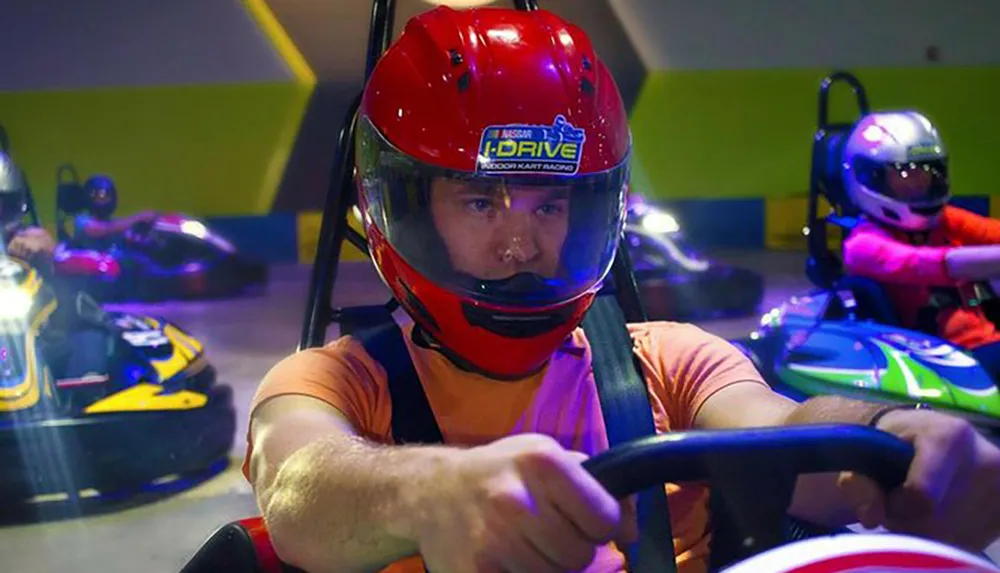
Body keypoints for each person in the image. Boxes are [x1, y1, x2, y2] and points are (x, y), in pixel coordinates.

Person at [243, 7, 1000, 573]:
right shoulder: (338, 381)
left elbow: (783, 425)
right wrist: (431, 491)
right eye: (480, 202)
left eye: (551, 204)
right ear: (404, 210)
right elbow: (300, 482)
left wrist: (891, 432)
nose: (521, 242)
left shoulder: (668, 359)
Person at [841, 110, 1000, 377]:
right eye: (904, 176)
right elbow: (930, 264)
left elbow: (991, 231)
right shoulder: (862, 246)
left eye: (926, 173)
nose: (918, 184)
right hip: (945, 360)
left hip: (988, 346)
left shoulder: (945, 221)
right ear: (872, 178)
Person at [0, 151, 109, 381]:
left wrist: (47, 256)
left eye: (2, 207)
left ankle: (86, 386)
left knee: (85, 318)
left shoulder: (30, 240)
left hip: (31, 338)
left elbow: (58, 257)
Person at [71, 174, 157, 251]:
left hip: (115, 262)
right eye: (101, 198)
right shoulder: (82, 220)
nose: (105, 201)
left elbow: (126, 236)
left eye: (108, 197)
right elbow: (99, 230)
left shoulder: (113, 222)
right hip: (91, 264)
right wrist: (138, 218)